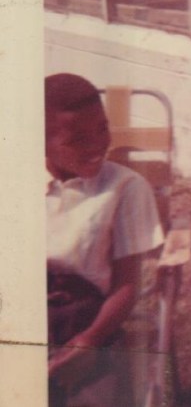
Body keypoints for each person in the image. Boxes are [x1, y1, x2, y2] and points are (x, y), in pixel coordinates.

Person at [45, 73, 164, 406]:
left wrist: (90, 341)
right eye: (78, 139)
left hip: (85, 318)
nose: (97, 145)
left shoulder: (125, 188)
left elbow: (128, 285)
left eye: (102, 129)